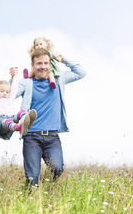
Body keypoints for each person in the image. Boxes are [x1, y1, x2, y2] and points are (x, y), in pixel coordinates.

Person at [15, 48, 86, 187]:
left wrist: (64, 59)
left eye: (46, 63)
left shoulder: (59, 79)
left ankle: (48, 188)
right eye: (39, 63)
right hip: (31, 136)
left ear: (50, 64)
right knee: (32, 177)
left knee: (57, 168)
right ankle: (30, 200)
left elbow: (81, 72)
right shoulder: (26, 83)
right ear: (33, 65)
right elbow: (9, 95)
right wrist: (12, 79)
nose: (43, 67)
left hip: (52, 137)